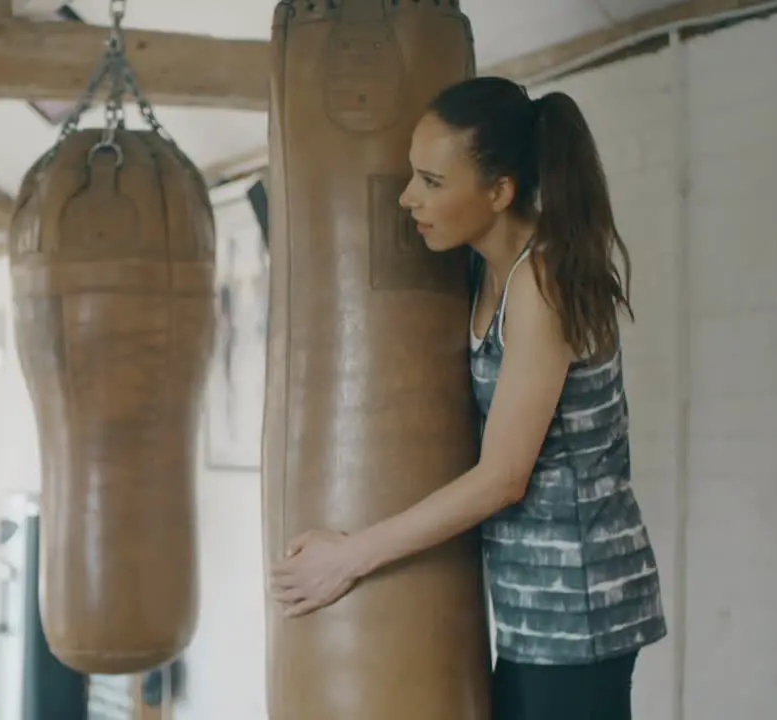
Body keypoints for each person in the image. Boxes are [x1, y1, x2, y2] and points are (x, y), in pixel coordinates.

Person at [267, 76, 667, 720]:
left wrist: (350, 557)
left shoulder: (542, 283)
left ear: (499, 192)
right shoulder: (487, 271)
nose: (407, 197)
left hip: (578, 610)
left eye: (431, 181)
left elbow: (503, 479)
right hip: (528, 610)